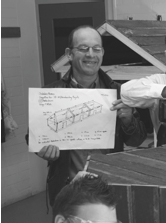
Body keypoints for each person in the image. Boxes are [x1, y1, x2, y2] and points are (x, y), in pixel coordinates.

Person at [26, 25, 147, 206]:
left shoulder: (118, 92)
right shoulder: (51, 93)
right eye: (83, 48)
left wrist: (128, 119)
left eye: (96, 49)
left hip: (110, 186)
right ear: (69, 54)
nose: (90, 54)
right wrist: (43, 150)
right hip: (67, 189)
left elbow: (136, 140)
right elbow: (33, 136)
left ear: (102, 53)